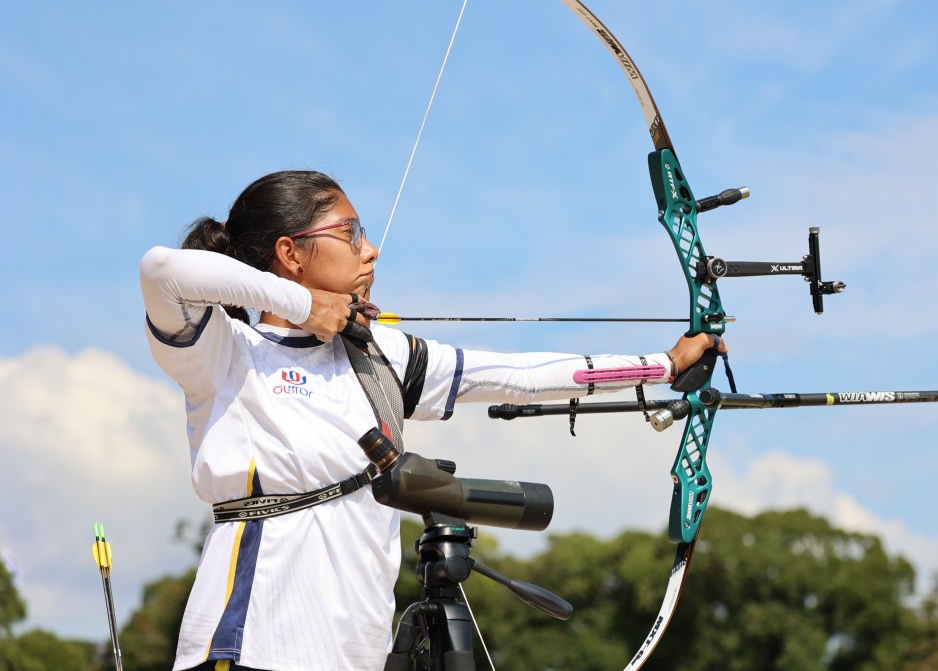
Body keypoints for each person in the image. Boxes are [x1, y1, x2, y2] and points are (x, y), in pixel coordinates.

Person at [140, 170, 724, 671]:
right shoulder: (224, 351)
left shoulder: (376, 356)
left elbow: (520, 375)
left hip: (354, 652)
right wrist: (302, 305)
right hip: (251, 646)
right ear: (291, 254)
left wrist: (661, 365)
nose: (369, 249)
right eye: (349, 233)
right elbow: (161, 268)